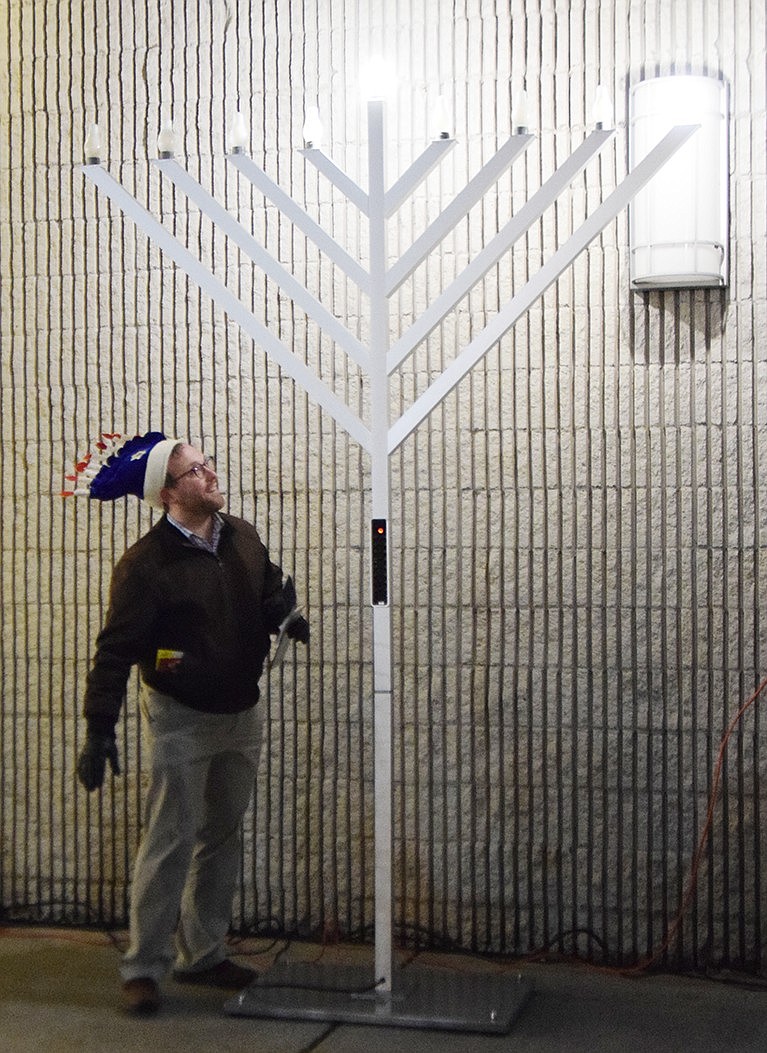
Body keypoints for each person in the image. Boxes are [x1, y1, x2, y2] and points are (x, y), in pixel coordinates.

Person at [66, 431, 309, 1014]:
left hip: (241, 711)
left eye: (209, 464)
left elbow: (268, 583)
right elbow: (116, 649)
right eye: (198, 470)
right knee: (169, 841)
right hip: (181, 715)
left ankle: (203, 954)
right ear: (170, 492)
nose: (212, 474)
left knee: (221, 836)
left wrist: (286, 614)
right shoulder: (146, 566)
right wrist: (100, 726)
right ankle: (144, 967)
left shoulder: (241, 536)